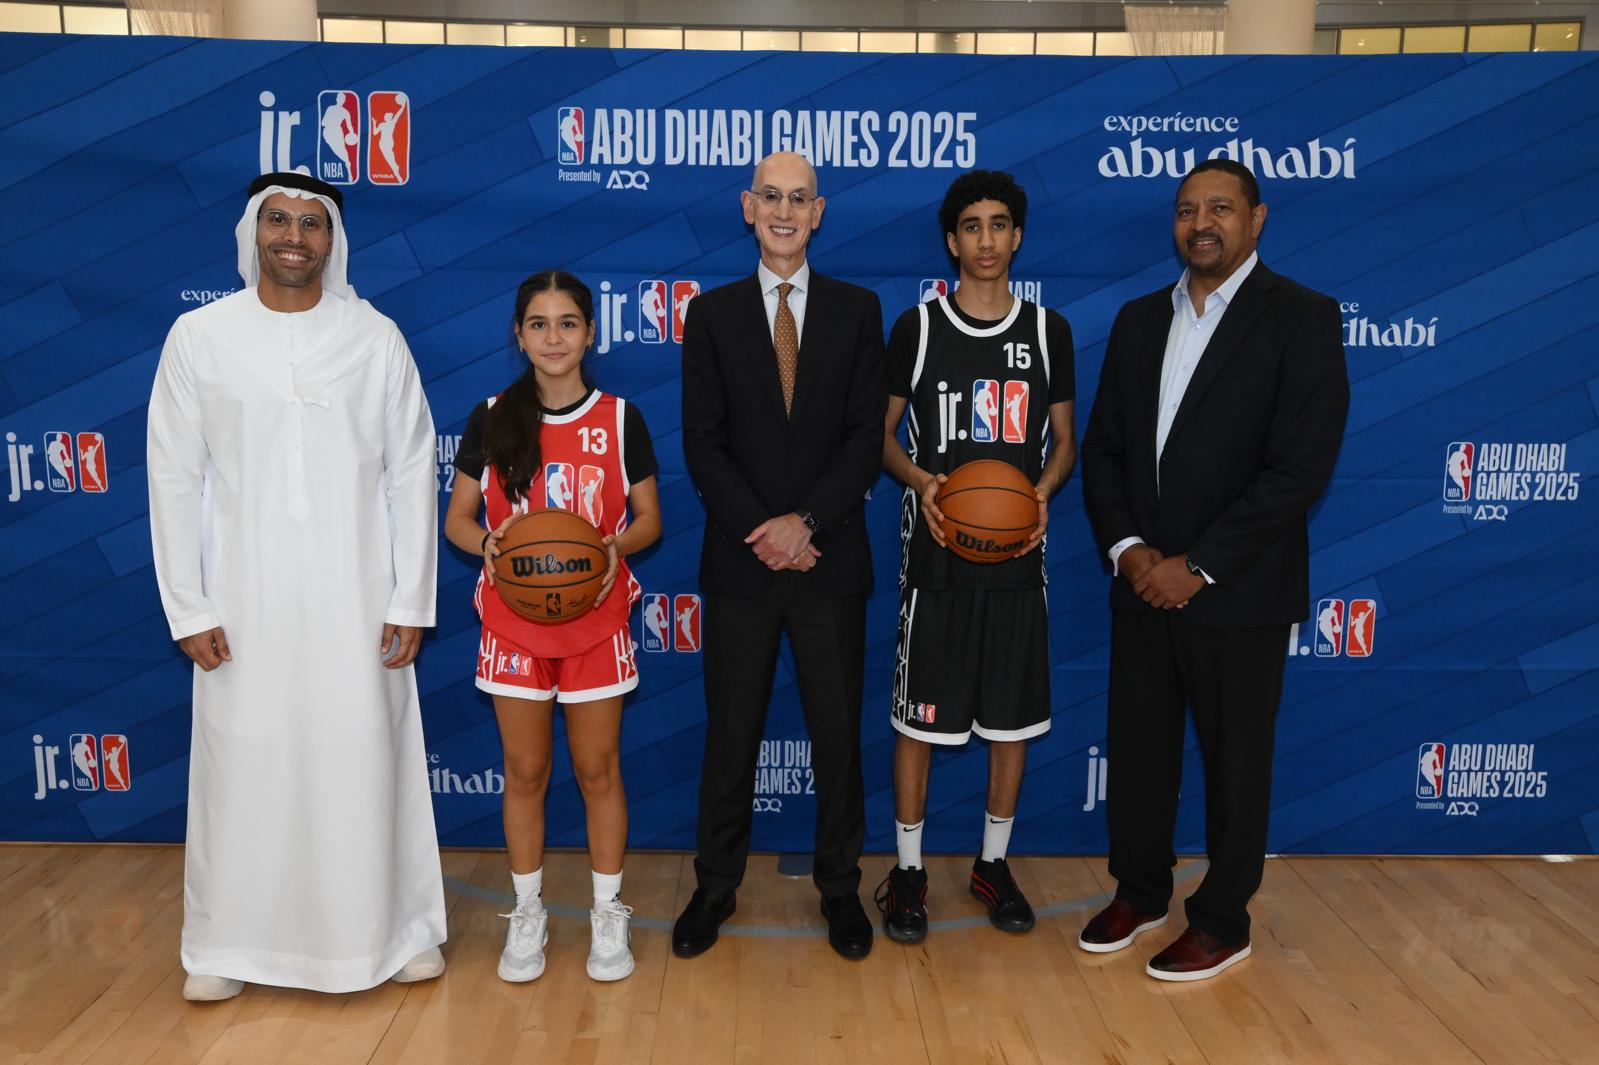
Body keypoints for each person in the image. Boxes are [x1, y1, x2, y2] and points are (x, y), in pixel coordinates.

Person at [147, 172, 446, 1002]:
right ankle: (225, 944)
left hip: (359, 597)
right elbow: (172, 476)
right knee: (243, 765)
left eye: (311, 223)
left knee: (364, 756)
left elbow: (411, 470)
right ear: (253, 231)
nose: (293, 236)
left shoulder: (374, 337)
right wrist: (188, 604)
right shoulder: (199, 337)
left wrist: (410, 598)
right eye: (277, 219)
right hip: (242, 601)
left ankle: (397, 931)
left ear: (332, 241)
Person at [1078, 158, 1349, 981]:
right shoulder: (1136, 320)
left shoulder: (1300, 316)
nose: (1201, 223)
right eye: (1187, 209)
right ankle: (1139, 890)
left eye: (1220, 207)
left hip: (1238, 591)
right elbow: (1103, 453)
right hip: (1141, 585)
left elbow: (1298, 471)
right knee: (1139, 754)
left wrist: (1196, 566)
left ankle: (1223, 918)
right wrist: (1130, 552)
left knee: (1235, 765)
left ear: (1256, 219)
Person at [674, 151, 887, 961]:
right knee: (730, 739)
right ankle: (714, 885)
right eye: (772, 196)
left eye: (800, 198)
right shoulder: (711, 314)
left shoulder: (858, 310)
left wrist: (807, 524)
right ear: (747, 206)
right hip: (742, 564)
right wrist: (765, 532)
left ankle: (839, 887)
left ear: (819, 212)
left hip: (829, 562)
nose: (785, 211)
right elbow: (703, 443)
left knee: (837, 739)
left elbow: (864, 438)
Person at [875, 170, 1076, 944]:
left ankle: (992, 862)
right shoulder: (918, 328)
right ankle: (908, 870)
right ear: (951, 241)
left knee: (1011, 721)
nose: (985, 239)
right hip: (936, 562)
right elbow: (880, 437)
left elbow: (1064, 441)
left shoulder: (1047, 331)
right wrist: (923, 480)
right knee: (919, 723)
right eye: (971, 226)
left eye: (998, 225)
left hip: (1018, 559)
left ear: (1016, 236)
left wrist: (1040, 494)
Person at [444, 270, 661, 984]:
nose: (554, 337)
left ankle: (607, 911)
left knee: (598, 769)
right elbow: (457, 519)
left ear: (590, 333)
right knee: (526, 770)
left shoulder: (621, 417)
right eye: (538, 324)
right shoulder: (491, 417)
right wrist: (489, 544)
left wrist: (613, 547)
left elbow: (649, 519)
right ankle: (527, 910)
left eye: (568, 322)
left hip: (595, 616)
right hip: (515, 622)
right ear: (519, 334)